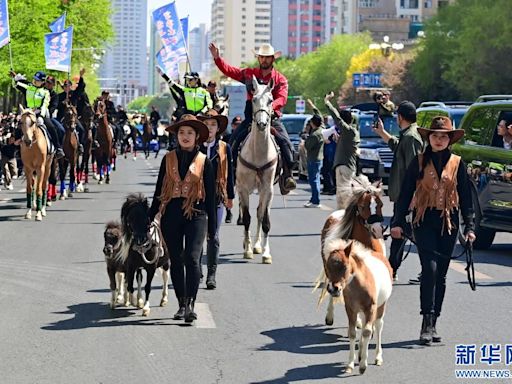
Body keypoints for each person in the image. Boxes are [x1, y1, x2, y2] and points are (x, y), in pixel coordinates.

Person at [390, 116, 475, 345]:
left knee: (442, 275)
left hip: (449, 223)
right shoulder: (418, 162)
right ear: (429, 138)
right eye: (435, 136)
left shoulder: (458, 163)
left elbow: (467, 198)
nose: (439, 140)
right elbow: (405, 192)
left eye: (443, 136)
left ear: (450, 140)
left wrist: (470, 228)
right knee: (430, 269)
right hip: (424, 220)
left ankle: (435, 321)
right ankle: (425, 323)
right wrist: (397, 221)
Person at [148, 114, 216, 323]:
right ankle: (181, 304)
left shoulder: (205, 161)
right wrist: (149, 218)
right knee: (176, 259)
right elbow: (159, 190)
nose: (185, 136)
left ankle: (192, 304)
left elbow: (212, 197)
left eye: (190, 133)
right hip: (171, 214)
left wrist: (212, 229)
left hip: (196, 213)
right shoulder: (167, 158)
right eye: (181, 132)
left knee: (192, 258)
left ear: (197, 137)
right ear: (177, 136)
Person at [209, 42, 297, 192]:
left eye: (267, 58)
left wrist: (269, 107)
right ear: (258, 58)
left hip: (271, 117)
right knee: (233, 141)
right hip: (251, 115)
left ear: (272, 59)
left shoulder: (280, 79)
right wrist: (217, 58)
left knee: (286, 142)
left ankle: (287, 176)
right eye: (262, 57)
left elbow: (282, 98)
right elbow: (230, 71)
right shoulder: (249, 73)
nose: (264, 60)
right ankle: (229, 172)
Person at [373, 101, 423, 282]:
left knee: (406, 233)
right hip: (405, 195)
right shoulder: (407, 135)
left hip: (408, 195)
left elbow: (416, 169)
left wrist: (414, 196)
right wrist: (381, 132)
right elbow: (397, 147)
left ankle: (392, 270)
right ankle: (391, 269)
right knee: (399, 232)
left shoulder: (412, 137)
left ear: (400, 117)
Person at [197, 110, 234, 289]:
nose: (210, 128)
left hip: (217, 197)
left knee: (213, 235)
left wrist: (230, 197)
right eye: (207, 124)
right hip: (197, 197)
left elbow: (231, 173)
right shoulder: (195, 145)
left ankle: (211, 275)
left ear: (218, 128)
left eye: (213, 125)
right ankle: (197, 271)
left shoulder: (225, 147)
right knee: (197, 236)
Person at [11, 70, 65, 159]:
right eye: (34, 79)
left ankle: (58, 148)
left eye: (37, 80)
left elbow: (45, 105)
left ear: (42, 82)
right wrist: (15, 78)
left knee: (51, 127)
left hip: (39, 113)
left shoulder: (45, 92)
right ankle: (17, 149)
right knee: (19, 126)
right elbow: (16, 84)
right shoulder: (28, 87)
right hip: (28, 112)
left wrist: (41, 116)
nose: (35, 81)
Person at [323, 92, 359, 209]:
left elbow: (337, 118)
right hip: (346, 166)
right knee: (344, 194)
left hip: (344, 166)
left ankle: (345, 218)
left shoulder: (349, 131)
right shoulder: (350, 133)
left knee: (344, 195)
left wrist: (327, 102)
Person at [302, 114, 324, 208]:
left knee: (313, 180)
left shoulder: (315, 134)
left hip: (314, 159)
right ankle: (313, 199)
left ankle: (315, 200)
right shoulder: (320, 131)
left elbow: (308, 146)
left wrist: (306, 139)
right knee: (316, 179)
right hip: (317, 158)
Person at [224, 115, 242, 224]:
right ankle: (228, 212)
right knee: (228, 191)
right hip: (231, 168)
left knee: (242, 192)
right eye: (236, 125)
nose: (237, 127)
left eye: (239, 125)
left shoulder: (246, 137)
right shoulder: (228, 137)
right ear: (232, 125)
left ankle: (241, 213)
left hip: (243, 169)